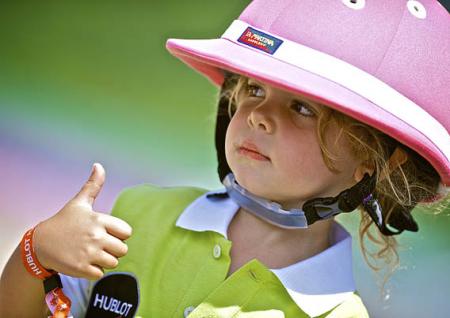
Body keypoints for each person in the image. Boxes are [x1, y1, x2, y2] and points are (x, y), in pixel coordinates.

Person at [1, 0, 449, 317]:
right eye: (253, 89)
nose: (258, 117)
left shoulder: (333, 313)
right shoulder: (136, 219)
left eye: (302, 108)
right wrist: (35, 253)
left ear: (374, 161)